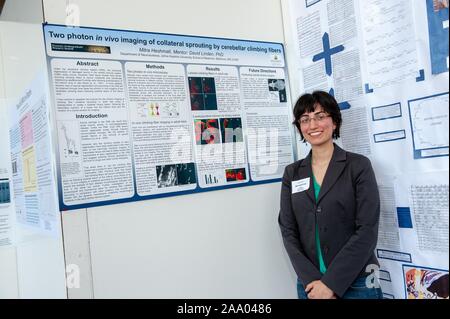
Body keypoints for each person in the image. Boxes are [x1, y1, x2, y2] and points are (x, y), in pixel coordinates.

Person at [278, 91, 383, 299]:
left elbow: (367, 230)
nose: (313, 125)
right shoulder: (292, 173)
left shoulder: (358, 166)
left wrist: (331, 284)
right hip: (311, 285)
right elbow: (288, 230)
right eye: (305, 119)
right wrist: (312, 281)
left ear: (334, 122)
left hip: (359, 281)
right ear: (300, 127)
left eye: (320, 116)